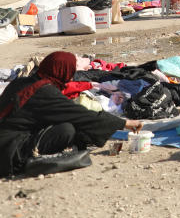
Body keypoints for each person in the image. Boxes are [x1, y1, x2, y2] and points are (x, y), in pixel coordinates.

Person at [0, 52, 142, 177]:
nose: (71, 77)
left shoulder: (22, 82)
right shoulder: (45, 92)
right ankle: (28, 159)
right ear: (62, 71)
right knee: (66, 129)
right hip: (9, 151)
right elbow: (80, 115)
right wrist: (125, 123)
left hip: (7, 138)